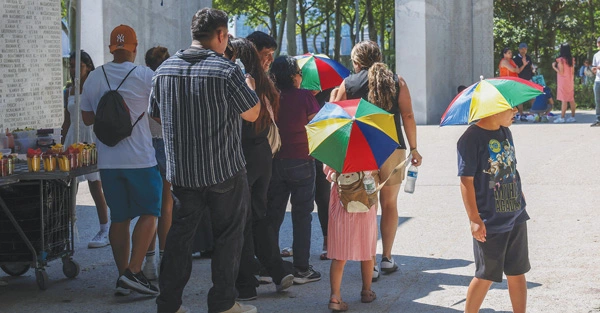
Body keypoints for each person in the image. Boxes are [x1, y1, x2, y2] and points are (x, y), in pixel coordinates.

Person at [153, 8, 261, 313]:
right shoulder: (227, 71)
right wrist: (250, 88)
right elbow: (252, 113)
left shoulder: (164, 70)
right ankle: (223, 305)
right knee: (228, 238)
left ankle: (169, 305)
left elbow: (157, 114)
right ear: (221, 35)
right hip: (224, 169)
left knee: (179, 239)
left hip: (183, 174)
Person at [80, 25, 162, 296]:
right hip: (140, 158)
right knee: (151, 211)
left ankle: (123, 278)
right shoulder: (145, 75)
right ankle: (134, 272)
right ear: (135, 47)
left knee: (120, 218)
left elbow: (88, 118)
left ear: (110, 49)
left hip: (108, 160)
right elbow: (158, 115)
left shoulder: (93, 77)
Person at [331, 40, 422, 281]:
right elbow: (408, 115)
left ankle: (369, 263)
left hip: (362, 151)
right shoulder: (396, 80)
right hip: (393, 148)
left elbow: (337, 117)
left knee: (369, 207)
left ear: (356, 61)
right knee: (390, 204)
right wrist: (414, 148)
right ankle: (387, 258)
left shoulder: (348, 83)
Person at [230, 37, 294, 301]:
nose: (268, 59)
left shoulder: (241, 81)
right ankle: (277, 272)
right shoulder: (262, 82)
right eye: (264, 54)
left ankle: (246, 284)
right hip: (262, 155)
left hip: (243, 155)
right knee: (258, 215)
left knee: (241, 222)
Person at [457, 107, 530, 313]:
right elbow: (466, 181)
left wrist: (520, 193)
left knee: (517, 271)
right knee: (485, 275)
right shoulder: (470, 139)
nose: (515, 111)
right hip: (490, 220)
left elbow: (512, 167)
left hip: (515, 214)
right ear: (493, 110)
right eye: (509, 108)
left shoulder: (505, 131)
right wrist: (474, 218)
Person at [267, 55, 321, 285]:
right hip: (302, 159)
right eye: (299, 73)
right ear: (292, 76)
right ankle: (301, 268)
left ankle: (267, 267)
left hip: (274, 161)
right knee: (302, 215)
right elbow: (317, 125)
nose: (301, 77)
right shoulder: (304, 96)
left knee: (272, 216)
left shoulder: (269, 96)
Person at [61, 50, 110, 249]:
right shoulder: (69, 90)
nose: (73, 69)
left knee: (94, 184)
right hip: (73, 137)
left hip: (90, 138)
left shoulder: (95, 86)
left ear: (88, 66)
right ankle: (66, 229)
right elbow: (66, 121)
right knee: (67, 185)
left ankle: (104, 228)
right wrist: (61, 143)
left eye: (78, 66)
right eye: (71, 66)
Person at [143, 46, 171, 281]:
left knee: (149, 207)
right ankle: (165, 258)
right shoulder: (168, 81)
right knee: (167, 206)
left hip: (145, 146)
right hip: (166, 143)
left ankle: (149, 260)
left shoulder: (143, 81)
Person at [314, 88, 334, 260]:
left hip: (322, 149)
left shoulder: (330, 93)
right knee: (300, 203)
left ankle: (328, 242)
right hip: (300, 150)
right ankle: (296, 245)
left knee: (322, 197)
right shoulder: (296, 91)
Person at [552, 43, 577, 123]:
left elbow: (561, 72)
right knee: (571, 99)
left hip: (563, 81)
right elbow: (573, 72)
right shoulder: (571, 60)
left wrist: (554, 67)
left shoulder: (561, 60)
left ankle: (562, 117)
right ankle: (573, 117)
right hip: (570, 81)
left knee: (564, 99)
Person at [513, 43, 533, 121]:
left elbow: (531, 67)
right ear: (519, 49)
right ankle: (521, 114)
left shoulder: (528, 57)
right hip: (520, 80)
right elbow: (517, 71)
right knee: (520, 98)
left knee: (532, 96)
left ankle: (532, 112)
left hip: (529, 79)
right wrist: (524, 64)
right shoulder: (516, 59)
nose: (524, 50)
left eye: (525, 49)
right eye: (522, 49)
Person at [592, 37, 600, 127]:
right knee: (597, 101)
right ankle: (598, 119)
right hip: (598, 80)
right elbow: (594, 67)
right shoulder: (596, 55)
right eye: (598, 43)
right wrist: (594, 69)